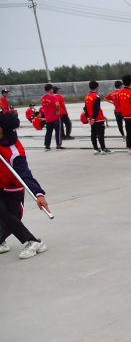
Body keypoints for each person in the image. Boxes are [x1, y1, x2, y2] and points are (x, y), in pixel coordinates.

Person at [0, 112, 51, 259]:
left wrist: (38, 194)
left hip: (13, 189)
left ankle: (35, 242)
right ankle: (2, 242)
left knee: (10, 219)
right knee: (3, 215)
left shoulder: (15, 152)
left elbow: (25, 175)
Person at [84, 81, 112, 155]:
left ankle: (96, 149)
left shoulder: (87, 96)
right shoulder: (96, 97)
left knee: (93, 133)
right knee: (100, 134)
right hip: (98, 119)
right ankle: (103, 149)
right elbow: (96, 108)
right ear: (96, 88)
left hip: (91, 119)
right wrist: (93, 118)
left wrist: (88, 118)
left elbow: (86, 108)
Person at [40, 84, 63, 151]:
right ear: (50, 89)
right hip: (55, 117)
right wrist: (58, 110)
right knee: (58, 131)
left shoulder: (42, 98)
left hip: (48, 118)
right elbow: (57, 104)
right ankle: (58, 145)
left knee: (48, 132)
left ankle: (47, 146)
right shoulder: (53, 97)